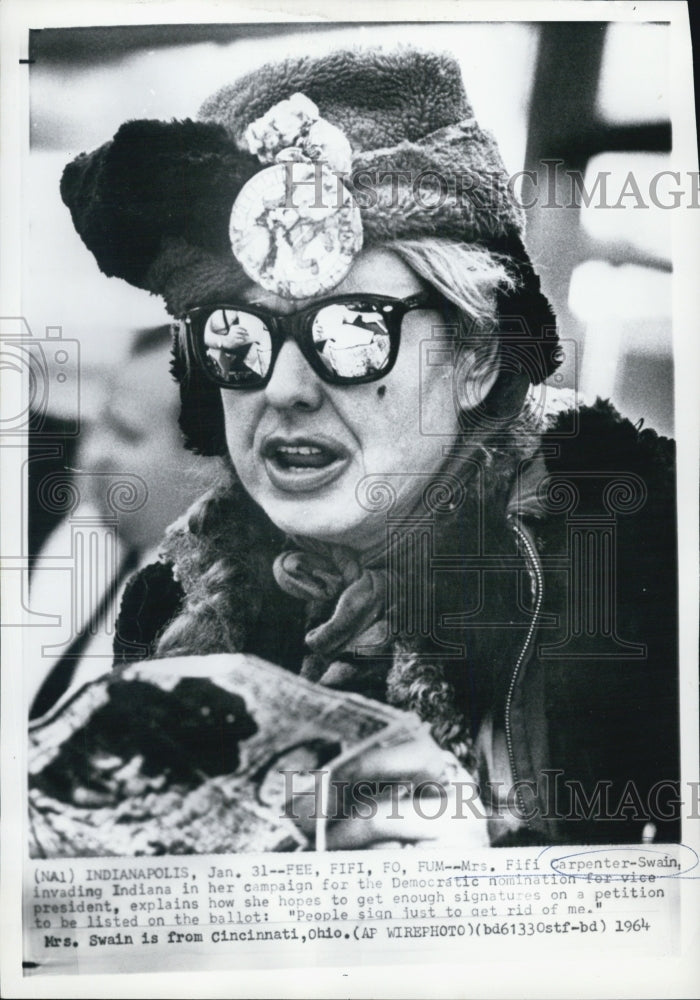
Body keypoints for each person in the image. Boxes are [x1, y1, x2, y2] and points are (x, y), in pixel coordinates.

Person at [56, 47, 678, 848]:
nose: (283, 389)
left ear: (477, 356)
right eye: (237, 335)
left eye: (352, 331)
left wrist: (480, 885)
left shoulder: (647, 572)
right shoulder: (170, 604)